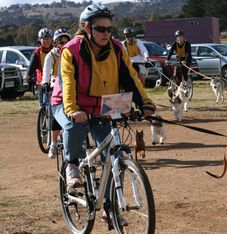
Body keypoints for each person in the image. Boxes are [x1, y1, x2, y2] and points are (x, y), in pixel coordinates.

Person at [51, 3, 155, 188]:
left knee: (114, 155)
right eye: (100, 29)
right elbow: (68, 83)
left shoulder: (116, 49)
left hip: (101, 104)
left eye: (109, 29)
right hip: (68, 102)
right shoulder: (71, 50)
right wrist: (72, 110)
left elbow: (129, 77)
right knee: (75, 124)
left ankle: (110, 207)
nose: (106, 33)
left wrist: (144, 103)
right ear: (86, 28)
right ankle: (72, 164)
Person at [41, 28, 72, 158]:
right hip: (55, 86)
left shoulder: (72, 53)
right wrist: (45, 83)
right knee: (55, 111)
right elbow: (46, 72)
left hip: (70, 85)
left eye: (66, 41)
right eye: (60, 41)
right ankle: (53, 144)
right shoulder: (51, 55)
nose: (63, 44)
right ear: (55, 43)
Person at [23, 28, 54, 104]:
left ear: (52, 39)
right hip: (41, 82)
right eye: (44, 39)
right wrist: (27, 76)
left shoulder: (56, 51)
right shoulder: (37, 53)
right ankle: (43, 113)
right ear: (40, 40)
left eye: (48, 38)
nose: (46, 41)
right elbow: (31, 67)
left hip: (54, 82)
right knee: (43, 104)